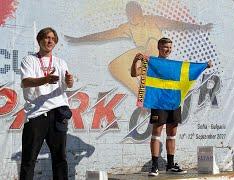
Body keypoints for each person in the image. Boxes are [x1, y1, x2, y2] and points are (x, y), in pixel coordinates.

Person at [65, 1, 212, 96]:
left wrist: (199, 27)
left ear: (140, 12)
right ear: (128, 15)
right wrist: (80, 39)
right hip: (143, 54)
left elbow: (175, 24)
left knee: (149, 47)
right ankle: (141, 94)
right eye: (130, 14)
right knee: (114, 66)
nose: (133, 17)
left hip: (157, 53)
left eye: (135, 13)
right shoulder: (127, 27)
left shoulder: (152, 20)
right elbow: (103, 35)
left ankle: (151, 84)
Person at [131, 37, 212, 176]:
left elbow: (190, 70)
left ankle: (170, 165)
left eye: (169, 47)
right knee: (156, 134)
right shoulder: (151, 64)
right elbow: (134, 73)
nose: (167, 50)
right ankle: (154, 166)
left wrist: (204, 65)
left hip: (174, 103)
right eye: (165, 47)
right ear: (158, 47)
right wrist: (135, 61)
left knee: (172, 135)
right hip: (159, 103)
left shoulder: (174, 66)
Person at [20, 27, 74, 180]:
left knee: (60, 159)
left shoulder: (61, 62)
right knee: (29, 159)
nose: (49, 41)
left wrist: (70, 81)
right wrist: (45, 79)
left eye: (52, 38)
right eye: (46, 37)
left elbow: (67, 84)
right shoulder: (29, 60)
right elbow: (25, 82)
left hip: (58, 113)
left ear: (55, 42)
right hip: (36, 114)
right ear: (39, 40)